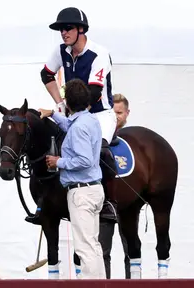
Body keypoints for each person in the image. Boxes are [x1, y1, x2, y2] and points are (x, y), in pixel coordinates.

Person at [25, 6, 118, 224]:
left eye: (67, 28)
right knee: (50, 145)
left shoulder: (99, 54)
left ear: (81, 29)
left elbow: (93, 93)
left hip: (100, 115)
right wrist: (59, 103)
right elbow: (46, 74)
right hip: (73, 115)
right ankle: (45, 203)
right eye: (61, 30)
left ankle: (109, 203)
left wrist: (65, 106)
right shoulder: (61, 51)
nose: (64, 33)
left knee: (101, 152)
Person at [39, 78, 106, 279]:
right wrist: (53, 115)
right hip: (94, 189)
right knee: (93, 246)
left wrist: (59, 162)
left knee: (84, 249)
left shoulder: (78, 127)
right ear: (87, 102)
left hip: (81, 193)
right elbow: (71, 125)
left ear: (67, 103)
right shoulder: (90, 120)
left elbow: (84, 159)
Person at [99, 93, 131, 279]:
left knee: (131, 248)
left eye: (120, 112)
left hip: (127, 205)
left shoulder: (131, 139)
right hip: (102, 206)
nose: (116, 117)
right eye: (113, 112)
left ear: (127, 113)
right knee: (103, 251)